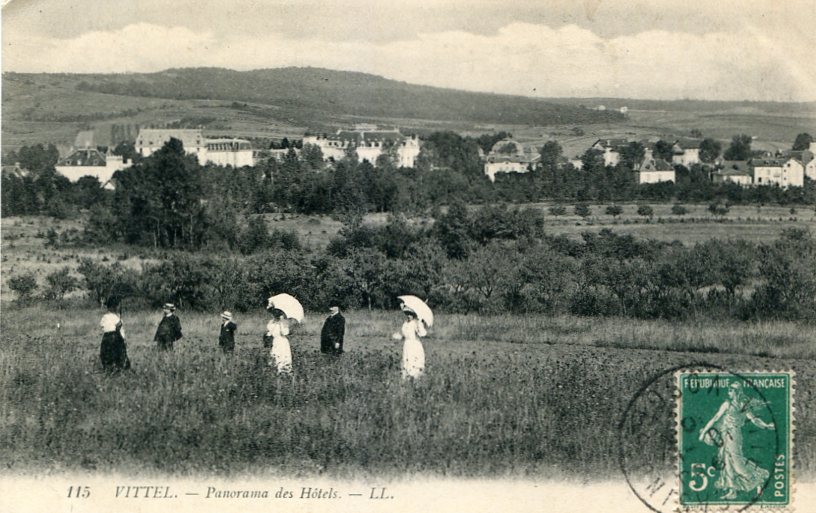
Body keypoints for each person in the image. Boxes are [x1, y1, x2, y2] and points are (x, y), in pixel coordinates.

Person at [698, 382, 775, 500]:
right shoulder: (726, 404)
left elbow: (754, 419)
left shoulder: (744, 405)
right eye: (729, 390)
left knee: (737, 463)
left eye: (731, 390)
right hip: (724, 434)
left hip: (735, 435)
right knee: (726, 462)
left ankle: (759, 477)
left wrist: (766, 426)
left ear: (737, 391)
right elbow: (715, 418)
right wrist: (704, 433)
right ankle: (732, 491)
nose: (729, 392)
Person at [393, 304, 427, 380]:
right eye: (407, 313)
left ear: (414, 314)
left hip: (415, 346)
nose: (409, 315)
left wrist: (420, 323)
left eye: (410, 314)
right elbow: (404, 334)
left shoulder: (416, 323)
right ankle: (407, 381)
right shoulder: (405, 324)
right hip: (407, 345)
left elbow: (422, 334)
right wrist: (397, 336)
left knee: (415, 363)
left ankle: (416, 381)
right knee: (406, 362)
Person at [99, 297, 130, 371]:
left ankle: (108, 368)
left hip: (106, 338)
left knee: (107, 355)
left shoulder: (105, 317)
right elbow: (120, 331)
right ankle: (119, 368)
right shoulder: (117, 319)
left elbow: (103, 327)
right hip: (116, 338)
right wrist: (123, 339)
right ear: (116, 307)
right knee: (119, 355)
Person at [266, 308, 292, 374]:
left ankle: (284, 371)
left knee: (283, 357)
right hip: (274, 341)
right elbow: (270, 331)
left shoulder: (284, 322)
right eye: (274, 313)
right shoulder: (271, 322)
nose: (275, 314)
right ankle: (274, 372)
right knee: (274, 356)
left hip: (282, 342)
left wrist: (281, 323)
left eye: (278, 313)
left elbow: (285, 333)